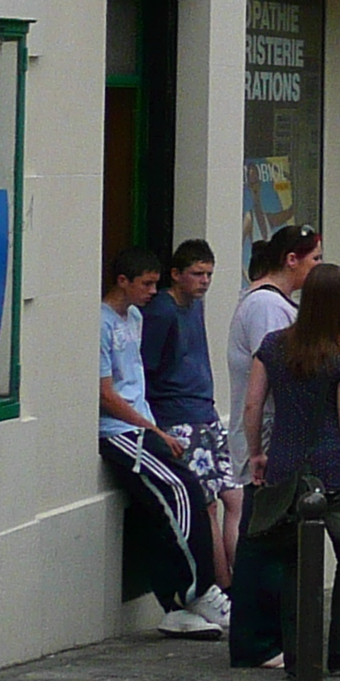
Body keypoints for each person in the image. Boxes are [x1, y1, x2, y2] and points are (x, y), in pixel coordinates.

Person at [231, 263, 340, 674]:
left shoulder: (272, 345)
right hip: (333, 471)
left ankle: (299, 655)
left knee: (293, 566)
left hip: (285, 468)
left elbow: (253, 406)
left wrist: (256, 454)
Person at [97, 249, 226, 637]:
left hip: (146, 426)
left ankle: (174, 602)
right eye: (146, 284)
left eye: (156, 284)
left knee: (179, 496)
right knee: (180, 490)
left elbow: (138, 379)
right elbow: (105, 393)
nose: (153, 292)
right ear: (123, 281)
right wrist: (151, 430)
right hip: (120, 432)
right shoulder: (100, 324)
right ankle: (198, 588)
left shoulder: (134, 318)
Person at [137, 240, 235, 597]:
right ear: (176, 274)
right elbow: (147, 367)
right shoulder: (162, 311)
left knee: (233, 499)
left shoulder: (195, 305)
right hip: (177, 414)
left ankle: (235, 582)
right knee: (206, 504)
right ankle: (220, 587)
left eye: (209, 273)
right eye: (197, 274)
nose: (205, 281)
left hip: (204, 411)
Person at [227, 226, 321, 415]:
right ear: (292, 259)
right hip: (268, 430)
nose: (320, 265)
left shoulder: (277, 302)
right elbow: (277, 370)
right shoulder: (266, 305)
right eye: (315, 258)